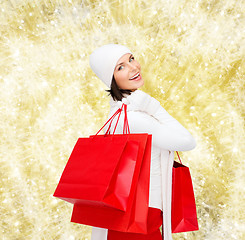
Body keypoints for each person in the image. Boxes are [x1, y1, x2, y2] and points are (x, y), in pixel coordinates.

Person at [89, 44, 196, 240]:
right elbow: (187, 141)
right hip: (141, 212)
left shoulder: (116, 114)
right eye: (120, 67)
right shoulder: (136, 118)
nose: (133, 67)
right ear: (110, 79)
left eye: (131, 59)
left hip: (123, 212)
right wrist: (153, 106)